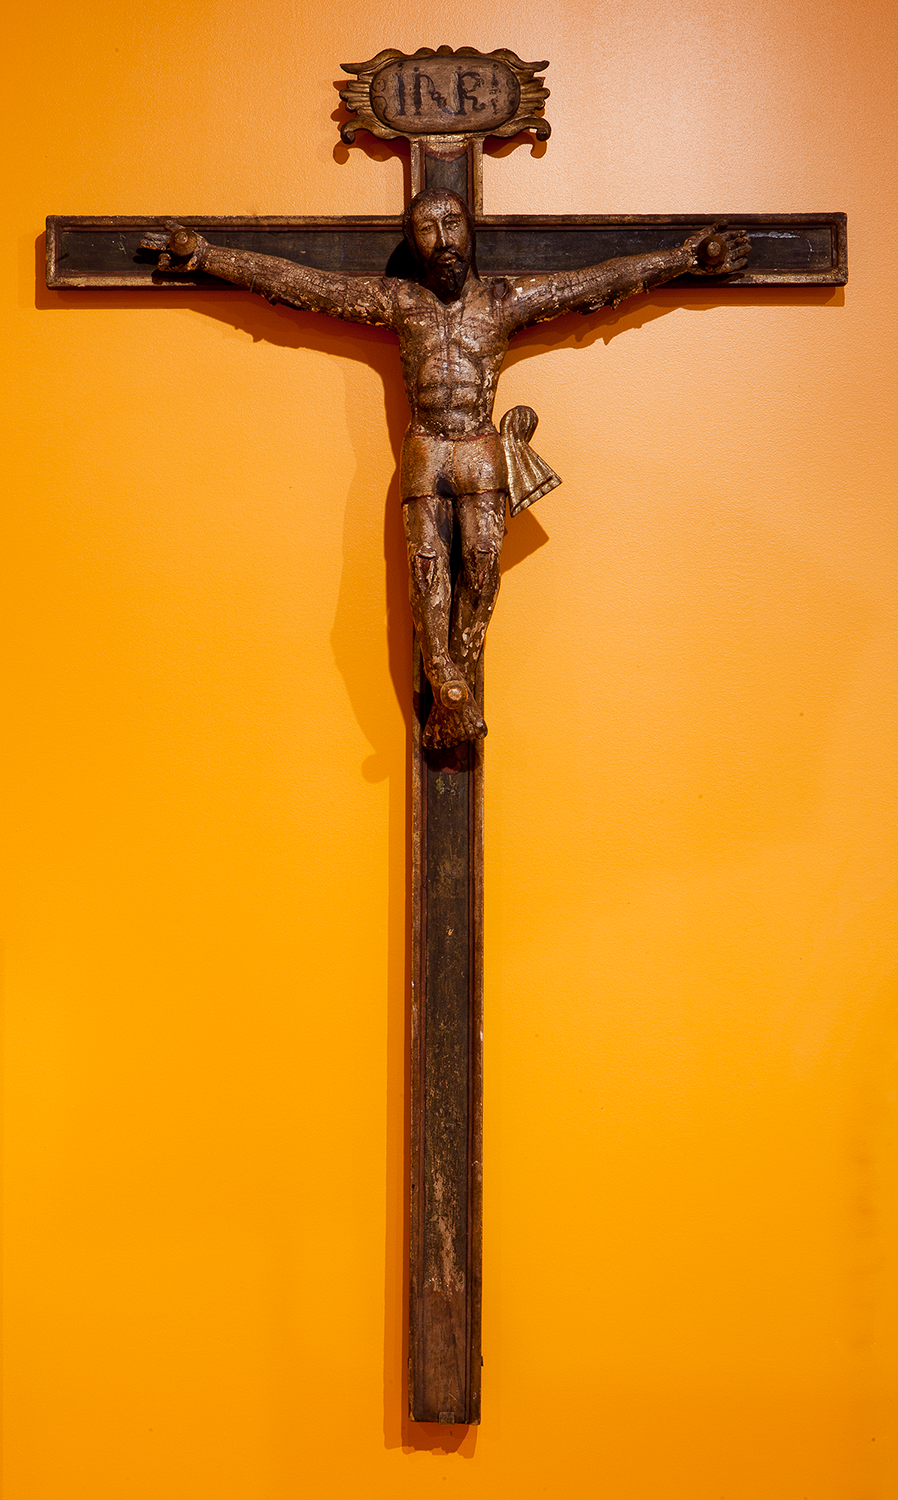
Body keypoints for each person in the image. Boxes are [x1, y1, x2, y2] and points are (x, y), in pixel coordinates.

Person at [147, 195, 749, 747]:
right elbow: (307, 285)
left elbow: (592, 283)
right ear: (413, 244)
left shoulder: (504, 303)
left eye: (452, 224)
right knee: (427, 570)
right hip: (426, 448)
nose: (443, 240)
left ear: (471, 231)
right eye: (427, 230)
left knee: (483, 565)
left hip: (479, 443)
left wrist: (684, 258)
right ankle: (444, 676)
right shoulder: (400, 303)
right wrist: (205, 255)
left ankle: (453, 684)